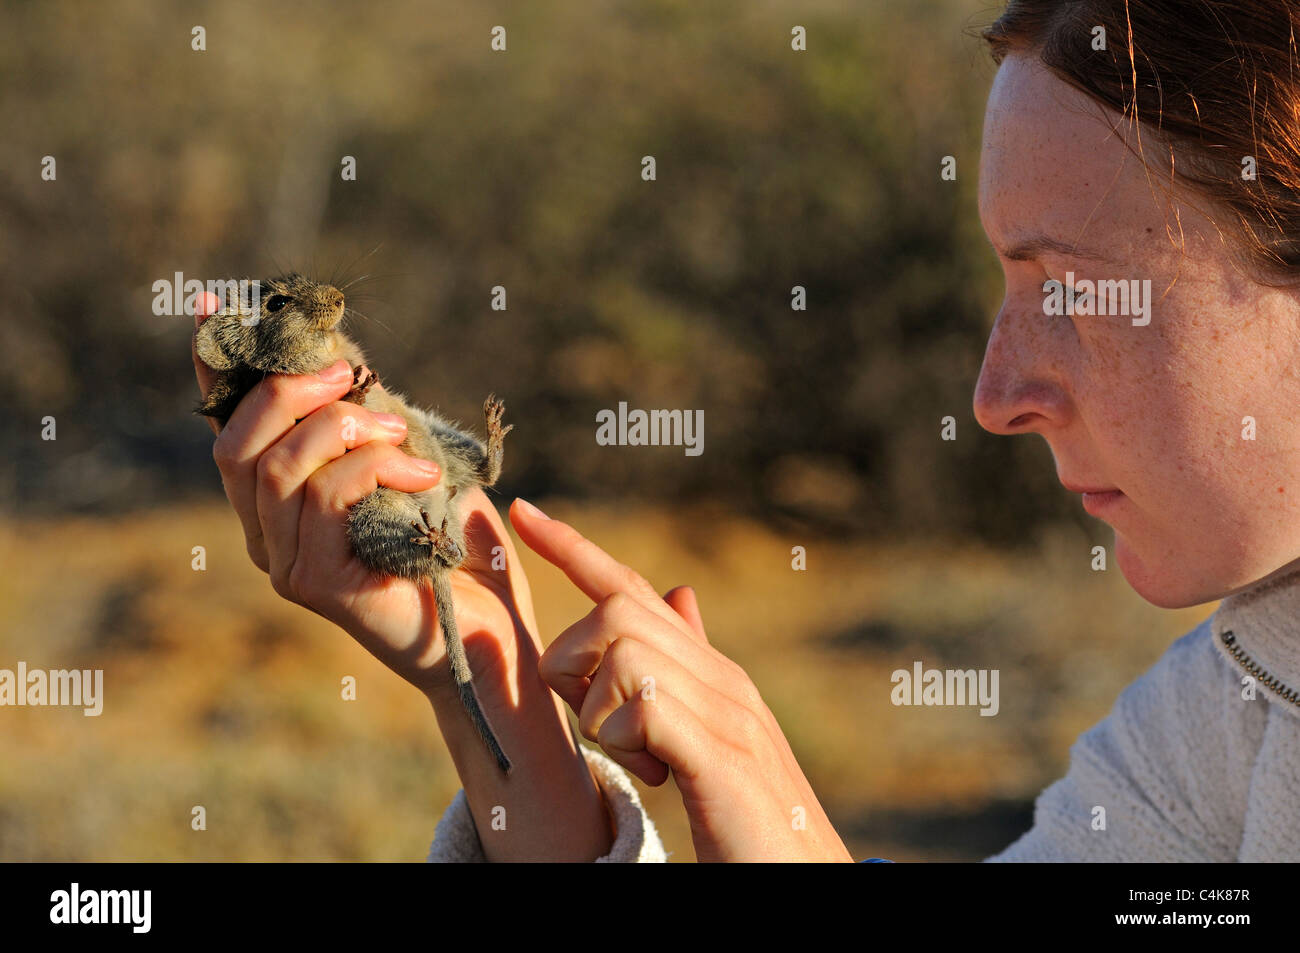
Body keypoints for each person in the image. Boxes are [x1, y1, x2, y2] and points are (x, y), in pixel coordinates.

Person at [194, 0, 1300, 861]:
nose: (994, 391)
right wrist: (488, 683)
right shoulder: (1234, 698)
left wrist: (782, 815)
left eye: (1071, 289)